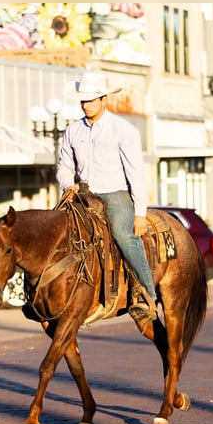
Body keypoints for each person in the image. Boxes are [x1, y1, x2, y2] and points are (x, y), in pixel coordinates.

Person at [56, 71, 157, 321]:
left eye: (91, 100)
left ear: (104, 100)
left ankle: (146, 294)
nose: (86, 104)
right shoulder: (72, 131)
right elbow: (64, 165)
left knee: (124, 235)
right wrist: (68, 184)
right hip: (82, 193)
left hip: (115, 193)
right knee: (54, 230)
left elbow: (135, 172)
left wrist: (140, 214)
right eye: (83, 100)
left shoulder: (123, 129)